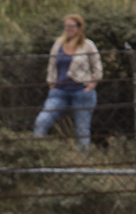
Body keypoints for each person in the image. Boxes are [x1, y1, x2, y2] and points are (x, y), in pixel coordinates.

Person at [33, 14, 102, 151]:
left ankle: (83, 159)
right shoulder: (58, 44)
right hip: (59, 92)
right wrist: (52, 85)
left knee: (82, 130)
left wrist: (90, 86)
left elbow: (98, 69)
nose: (68, 29)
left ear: (79, 28)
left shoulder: (88, 45)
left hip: (81, 92)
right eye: (66, 26)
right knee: (42, 121)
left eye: (71, 26)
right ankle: (36, 152)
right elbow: (51, 65)